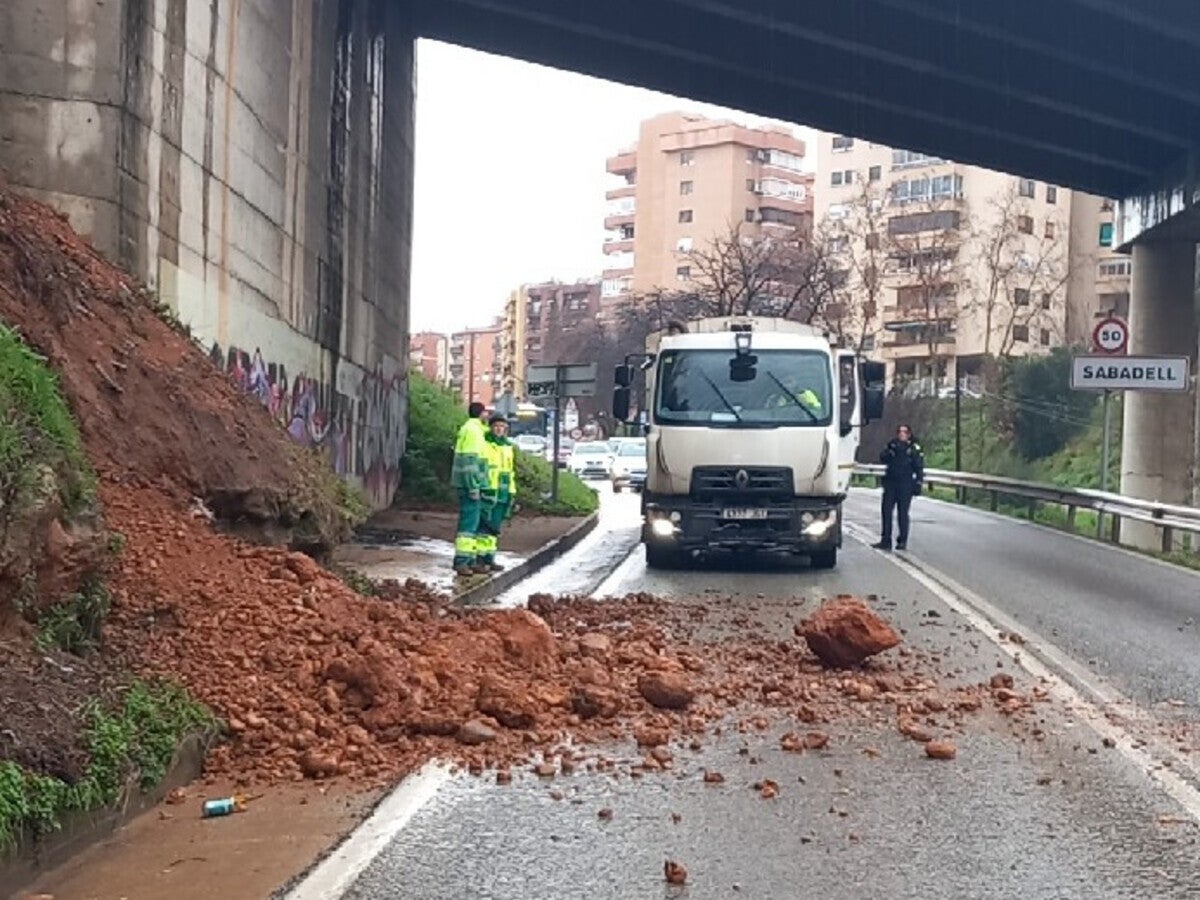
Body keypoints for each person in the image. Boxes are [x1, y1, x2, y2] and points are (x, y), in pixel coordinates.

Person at [450, 402, 489, 575]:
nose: (487, 416)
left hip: (470, 484)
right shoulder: (473, 432)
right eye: (486, 412)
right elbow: (470, 462)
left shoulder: (474, 430)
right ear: (481, 414)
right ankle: (462, 562)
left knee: (473, 525)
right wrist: (473, 486)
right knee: (468, 525)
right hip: (470, 486)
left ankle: (470, 560)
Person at [874, 423, 924, 551]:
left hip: (905, 484)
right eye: (900, 431)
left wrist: (918, 482)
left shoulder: (913, 448)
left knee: (903, 513)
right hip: (891, 483)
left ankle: (902, 541)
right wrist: (889, 453)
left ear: (909, 434)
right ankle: (886, 540)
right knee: (886, 511)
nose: (902, 434)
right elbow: (882, 458)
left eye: (904, 431)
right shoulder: (892, 445)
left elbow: (919, 466)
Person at [476, 415, 516, 572]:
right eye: (496, 426)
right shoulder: (485, 443)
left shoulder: (508, 446)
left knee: (495, 528)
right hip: (488, 490)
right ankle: (479, 558)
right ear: (491, 427)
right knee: (484, 526)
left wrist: (512, 492)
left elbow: (509, 471)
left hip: (503, 491)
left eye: (502, 426)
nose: (499, 429)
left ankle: (490, 558)